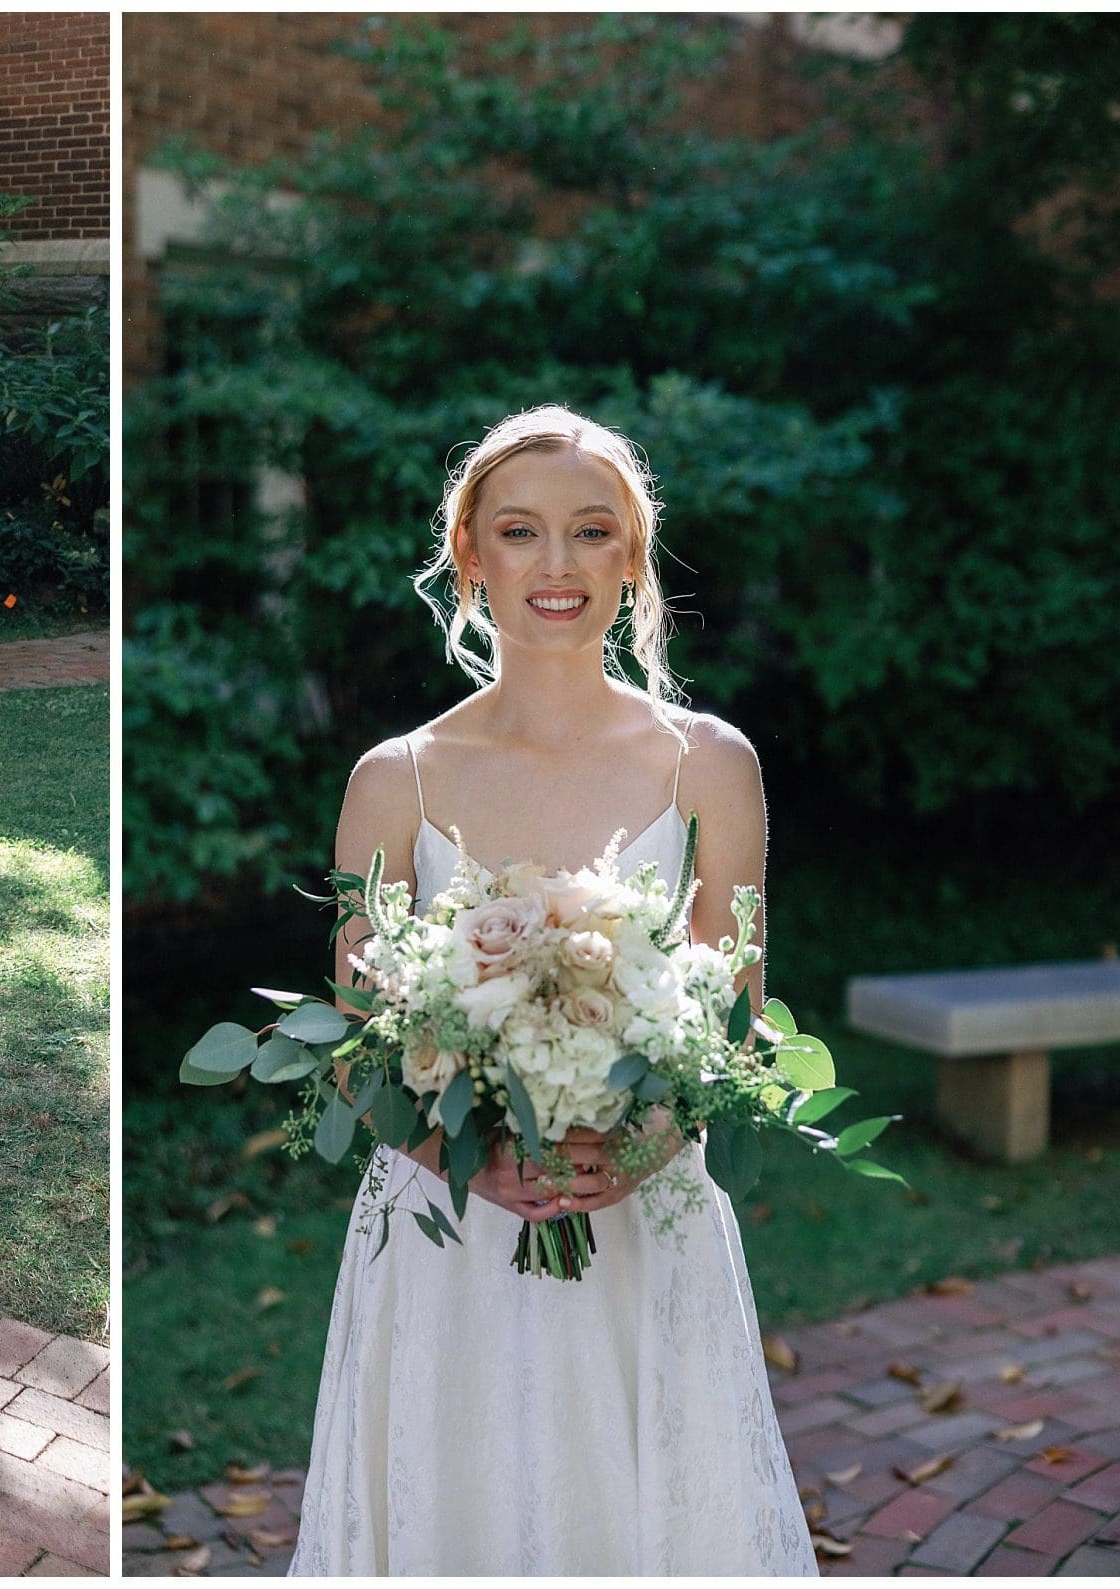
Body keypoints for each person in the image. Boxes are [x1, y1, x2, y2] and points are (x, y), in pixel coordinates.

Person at [287, 405, 816, 1575]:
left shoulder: (710, 765)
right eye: (522, 532)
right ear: (471, 553)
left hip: (643, 1222)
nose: (559, 563)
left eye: (591, 531)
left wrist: (646, 1141)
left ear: (632, 555)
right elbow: (352, 1043)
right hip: (447, 1235)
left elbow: (742, 1020)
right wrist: (466, 1154)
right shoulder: (396, 780)